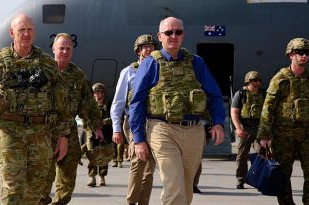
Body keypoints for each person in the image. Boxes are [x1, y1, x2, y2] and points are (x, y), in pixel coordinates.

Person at [0, 13, 70, 205]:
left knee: (35, 192)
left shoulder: (47, 64)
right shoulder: (0, 63)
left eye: (30, 29)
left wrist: (63, 136)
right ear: (12, 33)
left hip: (40, 135)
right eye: (21, 30)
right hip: (11, 135)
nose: (26, 34)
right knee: (12, 192)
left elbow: (62, 104)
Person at [129, 17, 226, 205]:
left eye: (178, 32)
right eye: (168, 32)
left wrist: (218, 122)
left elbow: (214, 94)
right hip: (162, 130)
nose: (173, 36)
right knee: (174, 188)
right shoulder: (150, 64)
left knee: (186, 189)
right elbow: (137, 103)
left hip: (193, 131)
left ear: (183, 35)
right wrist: (139, 139)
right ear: (160, 36)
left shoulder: (196, 63)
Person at [257, 38, 309, 205]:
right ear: (290, 54)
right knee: (283, 176)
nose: (304, 56)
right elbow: (268, 108)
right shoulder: (280, 79)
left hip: (308, 134)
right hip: (284, 135)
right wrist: (264, 135)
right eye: (300, 52)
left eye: (307, 53)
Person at [39, 33, 103, 205]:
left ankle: (60, 202)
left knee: (68, 176)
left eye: (68, 48)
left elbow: (88, 104)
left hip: (70, 131)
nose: (65, 52)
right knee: (44, 176)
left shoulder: (77, 75)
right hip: (45, 131)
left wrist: (96, 127)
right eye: (61, 48)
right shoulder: (43, 72)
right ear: (53, 49)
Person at [111, 34, 158, 205]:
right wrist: (116, 128)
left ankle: (143, 202)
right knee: (138, 162)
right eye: (145, 47)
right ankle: (131, 201)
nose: (148, 49)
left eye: (151, 46)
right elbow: (118, 103)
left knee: (149, 169)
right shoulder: (129, 72)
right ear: (138, 51)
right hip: (133, 123)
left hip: (154, 123)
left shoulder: (159, 70)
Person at [231, 71, 264, 189]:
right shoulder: (240, 94)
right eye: (255, 81)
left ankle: (257, 178)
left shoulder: (264, 94)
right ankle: (241, 179)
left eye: (259, 81)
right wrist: (238, 128)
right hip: (245, 129)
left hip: (260, 128)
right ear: (249, 81)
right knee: (242, 155)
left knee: (261, 154)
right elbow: (234, 112)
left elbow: (269, 113)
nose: (258, 83)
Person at [84, 83, 113, 187]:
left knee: (104, 154)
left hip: (106, 133)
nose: (97, 95)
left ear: (103, 93)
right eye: (95, 93)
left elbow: (114, 118)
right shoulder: (90, 106)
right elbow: (85, 119)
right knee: (92, 154)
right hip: (92, 133)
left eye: (99, 92)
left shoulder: (109, 106)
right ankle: (92, 176)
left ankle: (102, 176)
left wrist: (104, 122)